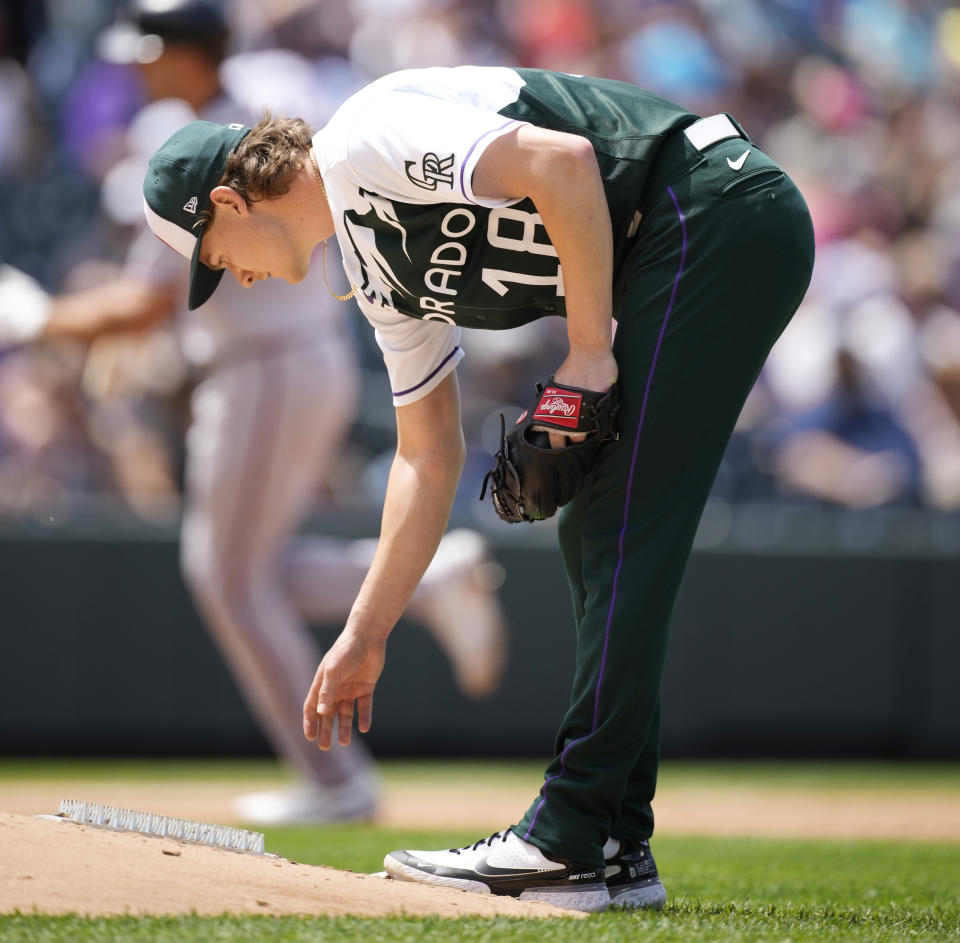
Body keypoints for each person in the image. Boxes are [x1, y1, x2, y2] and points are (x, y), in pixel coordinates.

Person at [140, 65, 814, 910]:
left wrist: (587, 352)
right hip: (682, 237)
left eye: (215, 260)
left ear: (232, 205)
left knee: (617, 524)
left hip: (709, 205)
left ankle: (570, 835)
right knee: (594, 528)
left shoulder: (362, 140)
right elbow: (428, 454)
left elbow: (563, 162)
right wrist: (366, 628)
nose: (234, 279)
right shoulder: (371, 267)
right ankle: (613, 843)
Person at [0, 8, 508, 827]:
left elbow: (144, 301)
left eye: (149, 55)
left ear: (185, 55)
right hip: (299, 360)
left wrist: (32, 320)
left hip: (264, 367)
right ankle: (430, 581)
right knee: (250, 572)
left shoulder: (183, 138)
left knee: (227, 575)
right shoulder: (267, 103)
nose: (137, 72)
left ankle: (338, 778)